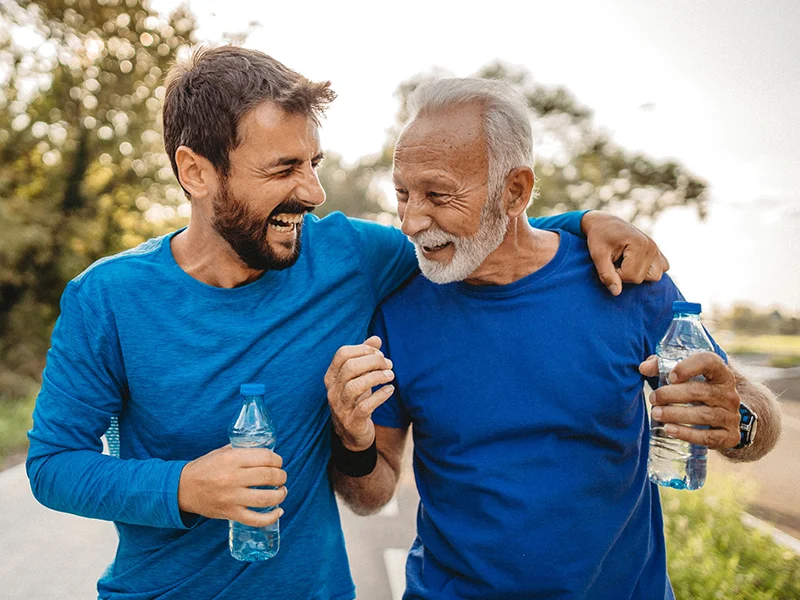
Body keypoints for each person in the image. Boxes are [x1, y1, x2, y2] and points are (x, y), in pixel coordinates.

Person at [27, 46, 671, 599]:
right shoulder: (107, 299)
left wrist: (583, 223)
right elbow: (53, 464)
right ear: (196, 172)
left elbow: (481, 239)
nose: (312, 193)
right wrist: (184, 486)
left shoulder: (349, 258)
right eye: (283, 169)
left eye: (313, 163)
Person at [325, 78, 782, 600]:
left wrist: (739, 421)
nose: (410, 220)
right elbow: (372, 492)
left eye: (437, 194)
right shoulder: (399, 308)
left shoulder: (624, 281)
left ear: (515, 191)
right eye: (402, 193)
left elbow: (753, 412)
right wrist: (353, 440)